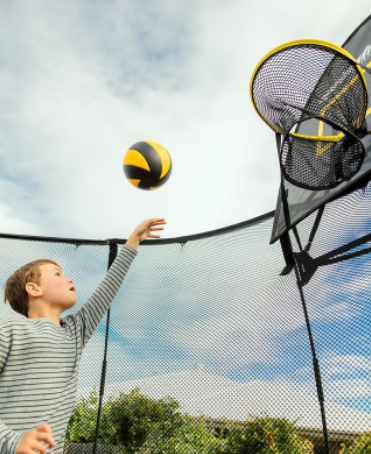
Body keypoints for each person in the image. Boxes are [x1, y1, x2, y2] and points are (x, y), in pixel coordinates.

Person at [0, 218, 166, 454]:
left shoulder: (74, 332)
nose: (69, 278)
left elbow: (107, 290)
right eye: (57, 274)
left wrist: (134, 241)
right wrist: (12, 442)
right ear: (33, 289)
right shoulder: (10, 332)